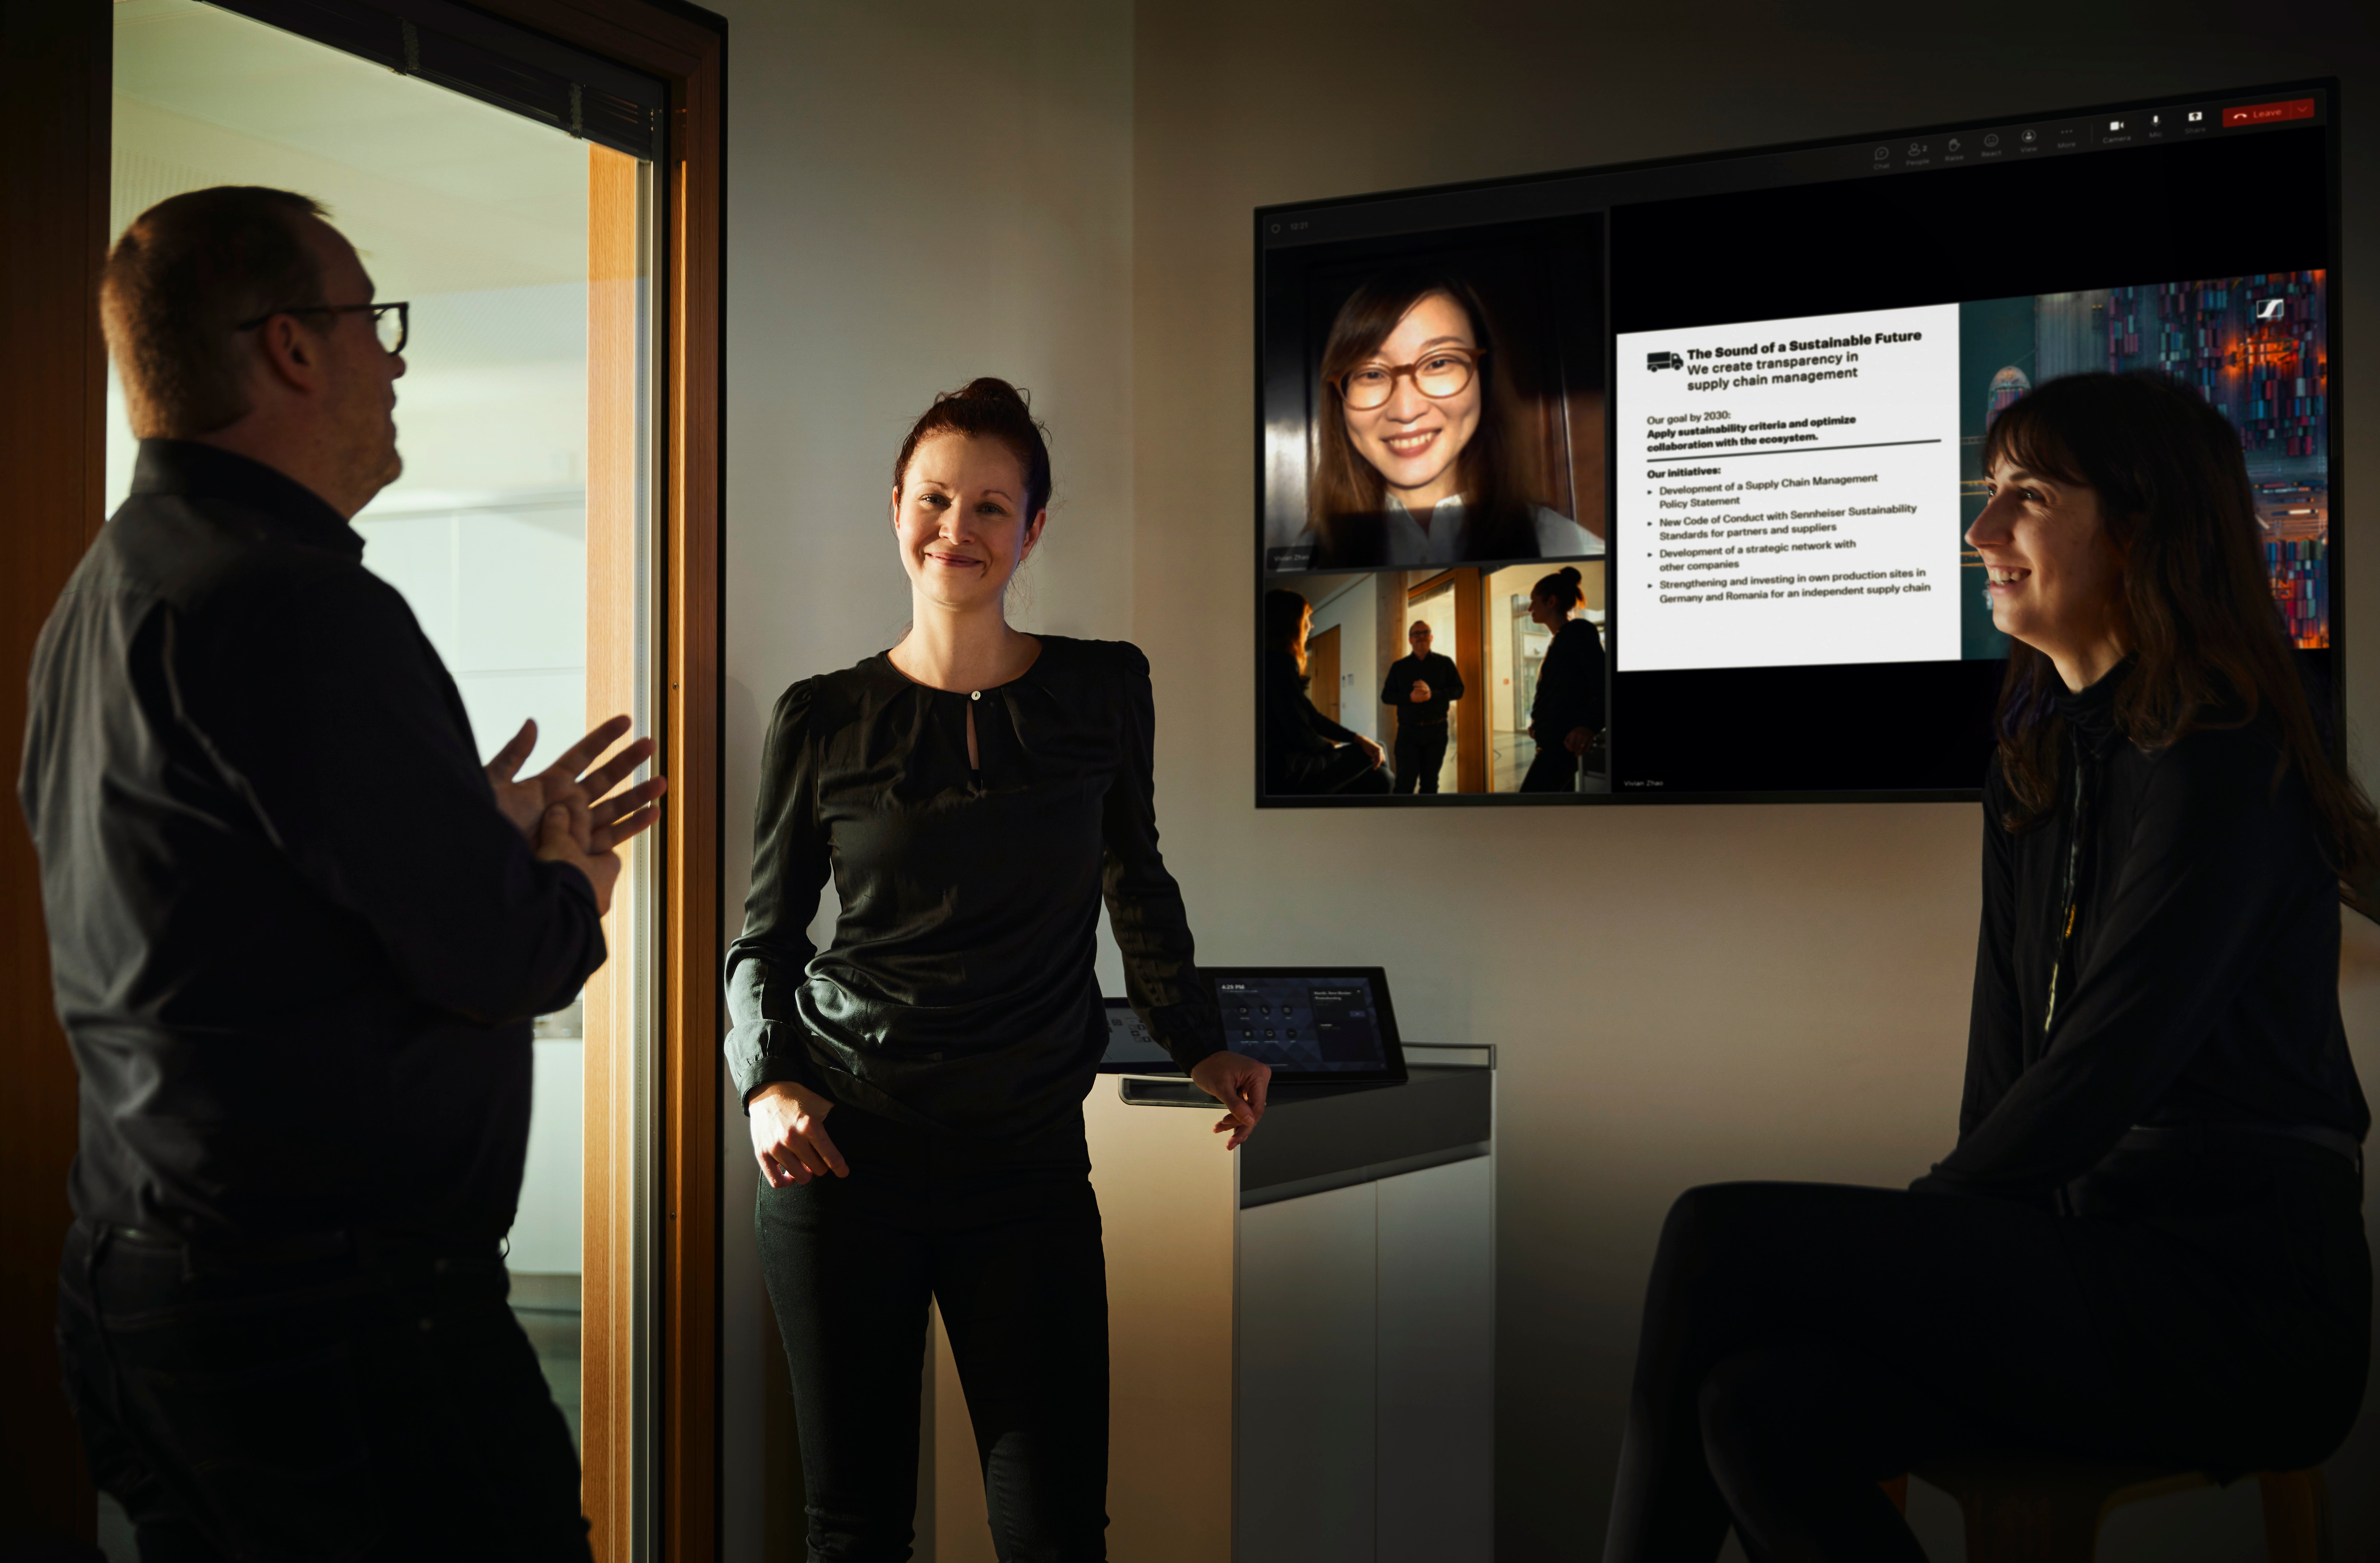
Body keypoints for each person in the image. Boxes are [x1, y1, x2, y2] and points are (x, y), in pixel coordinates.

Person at [1602, 372, 2371, 1562]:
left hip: (2233, 1306)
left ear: (2138, 526)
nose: (1978, 533)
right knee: (1751, 1409)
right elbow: (2005, 1066)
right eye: (1985, 493)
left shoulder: (2225, 752)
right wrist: (1935, 1266)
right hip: (2080, 1267)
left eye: (2025, 495)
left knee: (1718, 1236)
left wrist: (1906, 1253)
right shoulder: (2035, 757)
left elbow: (2102, 1067)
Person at [23, 187, 664, 1561]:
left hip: (155, 1293)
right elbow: (501, 958)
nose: (392, 362)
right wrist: (566, 876)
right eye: (373, 322)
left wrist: (463, 825)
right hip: (334, 1328)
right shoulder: (294, 598)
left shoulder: (104, 594)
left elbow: (222, 911)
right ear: (292, 349)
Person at [728, 378, 1276, 1561]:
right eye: (933, 499)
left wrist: (1200, 1039)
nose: (955, 530)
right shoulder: (820, 717)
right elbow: (763, 941)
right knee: (853, 1527)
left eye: (989, 506)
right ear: (894, 511)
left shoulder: (1100, 690)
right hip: (842, 1158)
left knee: (1054, 1530)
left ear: (1031, 530)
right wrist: (765, 1080)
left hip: (1023, 1166)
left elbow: (1138, 880)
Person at [1294, 271, 1600, 571]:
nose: (1405, 410)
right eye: (1371, 373)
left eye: (1438, 362)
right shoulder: (1304, 560)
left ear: (1484, 376)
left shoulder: (1569, 548)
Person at [1262, 587, 1391, 796]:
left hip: (1287, 765)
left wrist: (1357, 738)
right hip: (1290, 771)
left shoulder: (1273, 663)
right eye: (1308, 618)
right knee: (1379, 757)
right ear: (1291, 622)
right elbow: (1299, 730)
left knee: (1381, 770)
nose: (1311, 626)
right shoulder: (1280, 663)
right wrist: (1332, 750)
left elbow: (1314, 718)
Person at [1519, 566, 1604, 793]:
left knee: (1529, 810)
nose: (1529, 608)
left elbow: (1604, 684)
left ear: (1552, 602)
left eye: (1534, 601)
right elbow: (1562, 692)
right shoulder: (1562, 639)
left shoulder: (1578, 632)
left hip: (1560, 747)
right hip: (1553, 743)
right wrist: (1540, 723)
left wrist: (1589, 727)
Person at [1380, 618, 1465, 795]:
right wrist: (1409, 698)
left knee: (1430, 784)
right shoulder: (1399, 667)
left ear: (1432, 637)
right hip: (1408, 734)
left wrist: (1433, 694)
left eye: (1425, 633)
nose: (1421, 637)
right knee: (1404, 784)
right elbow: (1386, 696)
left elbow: (1459, 690)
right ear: (1410, 640)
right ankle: (1402, 823)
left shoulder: (1445, 663)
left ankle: (1426, 822)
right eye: (1416, 634)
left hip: (1437, 732)